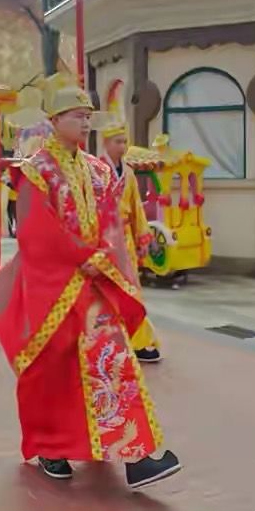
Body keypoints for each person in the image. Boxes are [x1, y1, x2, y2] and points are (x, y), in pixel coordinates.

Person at [0, 74, 182, 489]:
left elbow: (113, 221)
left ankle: (135, 454)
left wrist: (106, 257)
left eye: (89, 116)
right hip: (54, 287)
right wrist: (82, 256)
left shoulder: (96, 171)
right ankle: (49, 446)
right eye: (78, 116)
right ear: (55, 120)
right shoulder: (36, 171)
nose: (86, 123)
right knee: (51, 370)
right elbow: (36, 233)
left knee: (113, 361)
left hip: (92, 288)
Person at [97, 121, 162, 363]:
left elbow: (137, 209)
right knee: (106, 292)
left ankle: (139, 340)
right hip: (104, 242)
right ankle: (108, 341)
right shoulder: (94, 171)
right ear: (105, 142)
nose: (122, 146)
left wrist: (143, 237)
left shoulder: (130, 174)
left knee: (131, 290)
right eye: (118, 141)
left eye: (125, 141)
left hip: (125, 239)